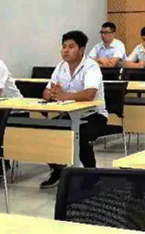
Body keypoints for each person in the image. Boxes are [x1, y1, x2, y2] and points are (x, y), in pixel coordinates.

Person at [40, 30, 108, 189]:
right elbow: (46, 92)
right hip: (69, 114)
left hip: (94, 115)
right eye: (64, 46)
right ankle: (58, 169)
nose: (65, 50)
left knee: (80, 135)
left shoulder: (91, 66)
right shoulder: (61, 67)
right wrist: (50, 94)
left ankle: (92, 175)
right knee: (46, 131)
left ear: (82, 49)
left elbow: (89, 94)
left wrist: (64, 95)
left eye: (71, 47)